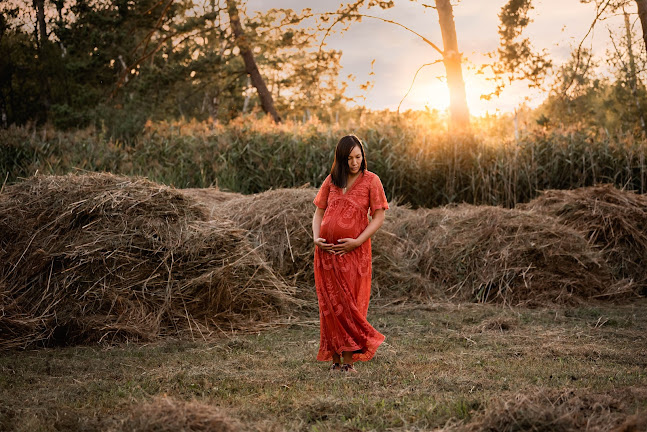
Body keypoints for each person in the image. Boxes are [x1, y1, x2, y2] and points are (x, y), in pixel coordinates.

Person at [312, 134, 388, 373]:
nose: (354, 162)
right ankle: (336, 360)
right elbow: (318, 213)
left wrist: (356, 242)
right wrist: (316, 238)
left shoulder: (371, 181)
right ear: (340, 159)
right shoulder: (331, 181)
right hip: (326, 254)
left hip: (354, 252)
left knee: (350, 304)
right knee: (331, 306)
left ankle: (349, 361)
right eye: (349, 158)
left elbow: (379, 217)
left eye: (358, 157)